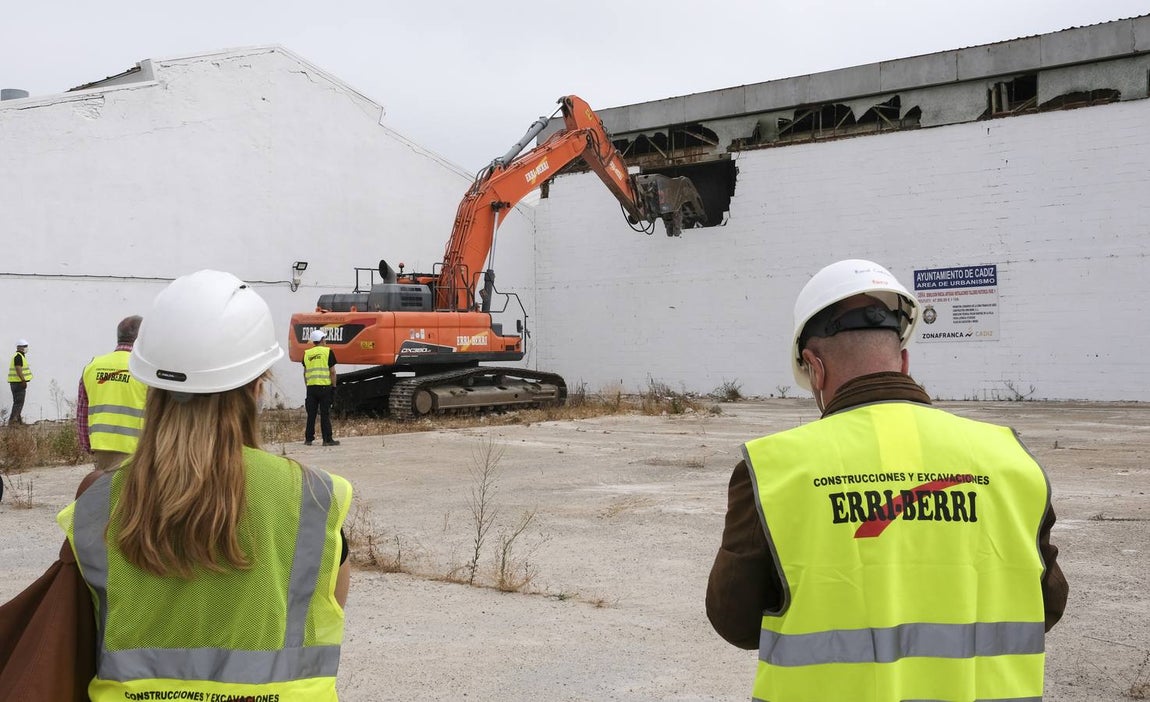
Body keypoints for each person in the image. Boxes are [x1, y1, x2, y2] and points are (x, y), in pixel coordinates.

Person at [706, 259, 1068, 702]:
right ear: (904, 359)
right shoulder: (1008, 458)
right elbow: (1046, 606)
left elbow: (735, 620)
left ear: (814, 368)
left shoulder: (773, 468)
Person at [57, 270, 353, 700]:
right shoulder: (314, 498)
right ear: (257, 388)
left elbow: (77, 635)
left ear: (151, 387)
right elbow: (328, 605)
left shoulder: (97, 504)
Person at [77, 316, 148, 471]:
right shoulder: (145, 369)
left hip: (102, 449)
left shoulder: (93, 366)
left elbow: (83, 414)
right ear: (142, 338)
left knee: (107, 494)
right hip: (137, 451)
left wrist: (89, 446)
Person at [303, 328, 340, 446]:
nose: (325, 341)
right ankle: (327, 439)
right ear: (321, 340)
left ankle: (308, 439)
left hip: (311, 388)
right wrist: (334, 387)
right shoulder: (328, 352)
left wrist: (308, 386)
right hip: (324, 387)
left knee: (311, 415)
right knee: (325, 414)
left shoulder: (307, 353)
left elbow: (305, 373)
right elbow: (332, 372)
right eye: (324, 338)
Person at [7, 339, 31, 425]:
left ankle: (19, 422)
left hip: (15, 383)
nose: (26, 348)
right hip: (18, 383)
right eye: (25, 346)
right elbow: (18, 369)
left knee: (17, 402)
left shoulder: (19, 356)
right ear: (19, 347)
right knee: (19, 403)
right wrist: (23, 380)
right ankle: (12, 422)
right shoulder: (18, 357)